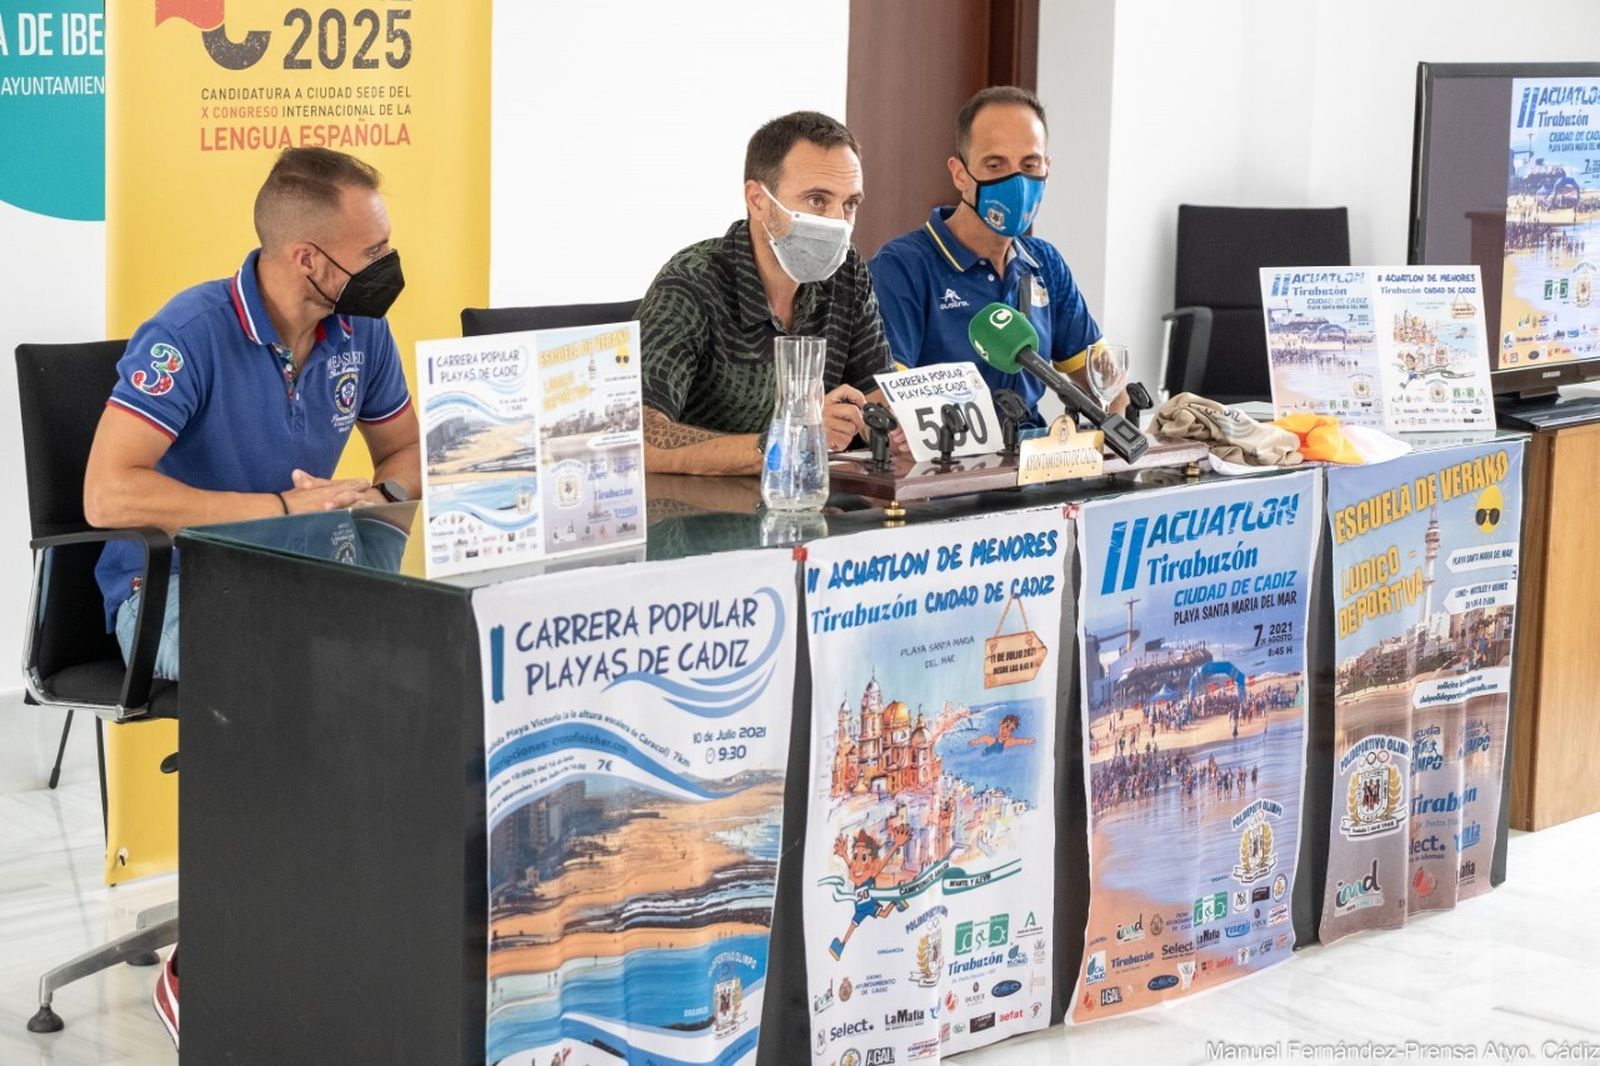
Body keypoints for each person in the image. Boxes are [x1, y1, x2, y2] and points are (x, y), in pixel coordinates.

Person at [81, 145, 421, 1048]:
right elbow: (108, 495)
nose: (389, 263)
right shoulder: (189, 332)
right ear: (309, 256)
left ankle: (344, 935)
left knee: (423, 678)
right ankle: (205, 963)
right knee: (300, 695)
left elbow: (406, 455)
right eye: (373, 248)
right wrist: (277, 508)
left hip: (308, 584)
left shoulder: (360, 333)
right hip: (174, 592)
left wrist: (370, 497)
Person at [639, 111, 894, 475]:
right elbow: (638, 439)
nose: (839, 222)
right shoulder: (691, 281)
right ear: (757, 200)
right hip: (702, 516)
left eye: (850, 204)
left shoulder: (847, 271)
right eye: (818, 200)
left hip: (813, 508)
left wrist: (898, 420)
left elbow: (874, 395)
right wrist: (786, 440)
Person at [869, 86, 1125, 425]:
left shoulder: (1045, 263)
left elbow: (1107, 387)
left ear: (1047, 169)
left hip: (1036, 467)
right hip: (943, 470)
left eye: (1029, 164)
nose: (1016, 181)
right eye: (995, 164)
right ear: (960, 174)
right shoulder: (902, 266)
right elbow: (890, 403)